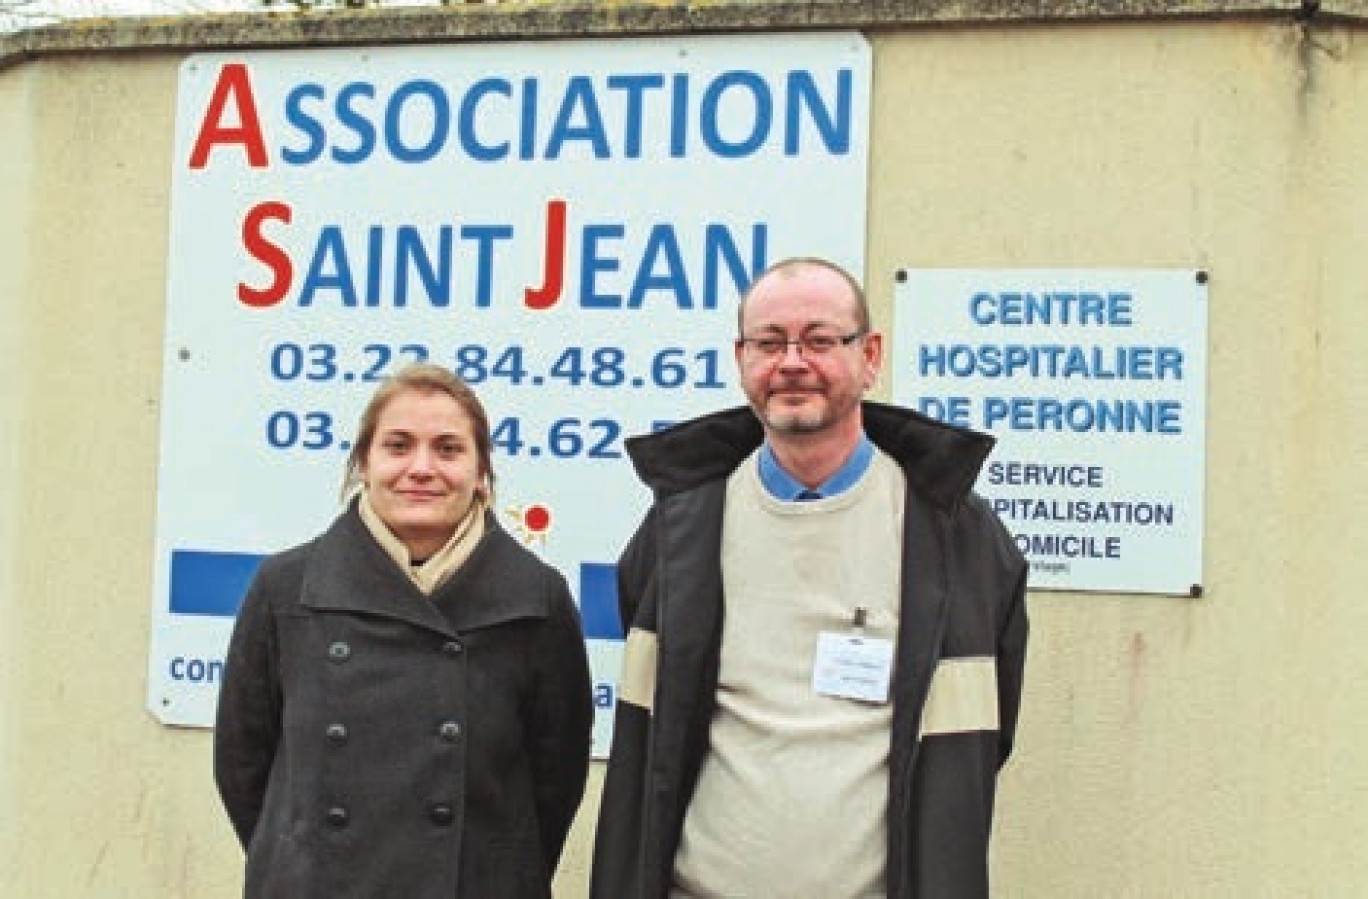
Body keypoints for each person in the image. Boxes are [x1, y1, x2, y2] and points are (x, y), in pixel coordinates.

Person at [591, 257, 1029, 898]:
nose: (792, 362)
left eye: (821, 340)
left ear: (870, 356)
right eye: (769, 342)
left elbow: (986, 741)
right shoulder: (682, 527)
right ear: (742, 358)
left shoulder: (953, 534)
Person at [214, 363, 593, 899]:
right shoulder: (287, 589)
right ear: (363, 464)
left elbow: (554, 782)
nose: (421, 468)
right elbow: (242, 765)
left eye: (447, 449)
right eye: (397, 446)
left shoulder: (536, 600)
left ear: (481, 470)